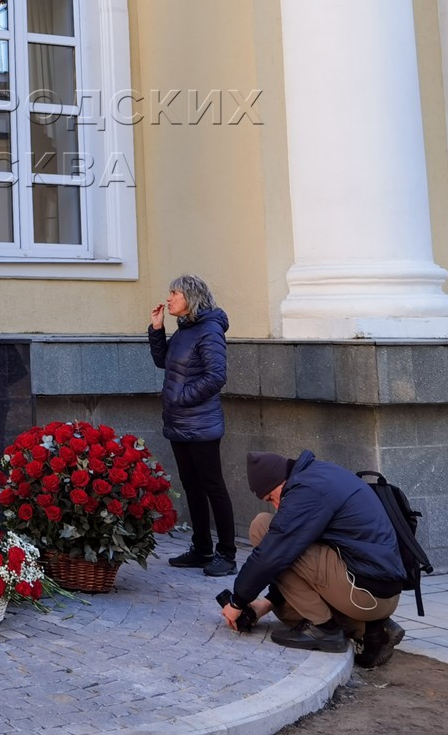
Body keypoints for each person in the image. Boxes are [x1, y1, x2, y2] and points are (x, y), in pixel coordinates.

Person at [222, 450, 407, 667]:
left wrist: (237, 601)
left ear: (281, 481)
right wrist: (265, 605)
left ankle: (325, 630)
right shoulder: (320, 474)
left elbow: (274, 554)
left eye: (272, 496)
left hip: (364, 594)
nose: (275, 505)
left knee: (262, 527)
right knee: (286, 608)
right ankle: (374, 630)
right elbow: (301, 561)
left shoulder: (308, 491)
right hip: (379, 594)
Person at [148, 274, 237, 576]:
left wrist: (182, 398)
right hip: (179, 422)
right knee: (191, 486)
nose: (169, 298)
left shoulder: (210, 330)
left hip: (200, 423)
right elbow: (165, 362)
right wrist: (157, 330)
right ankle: (201, 549)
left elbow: (216, 376)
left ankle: (227, 554)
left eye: (174, 293)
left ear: (191, 297)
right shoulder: (185, 329)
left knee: (213, 486)